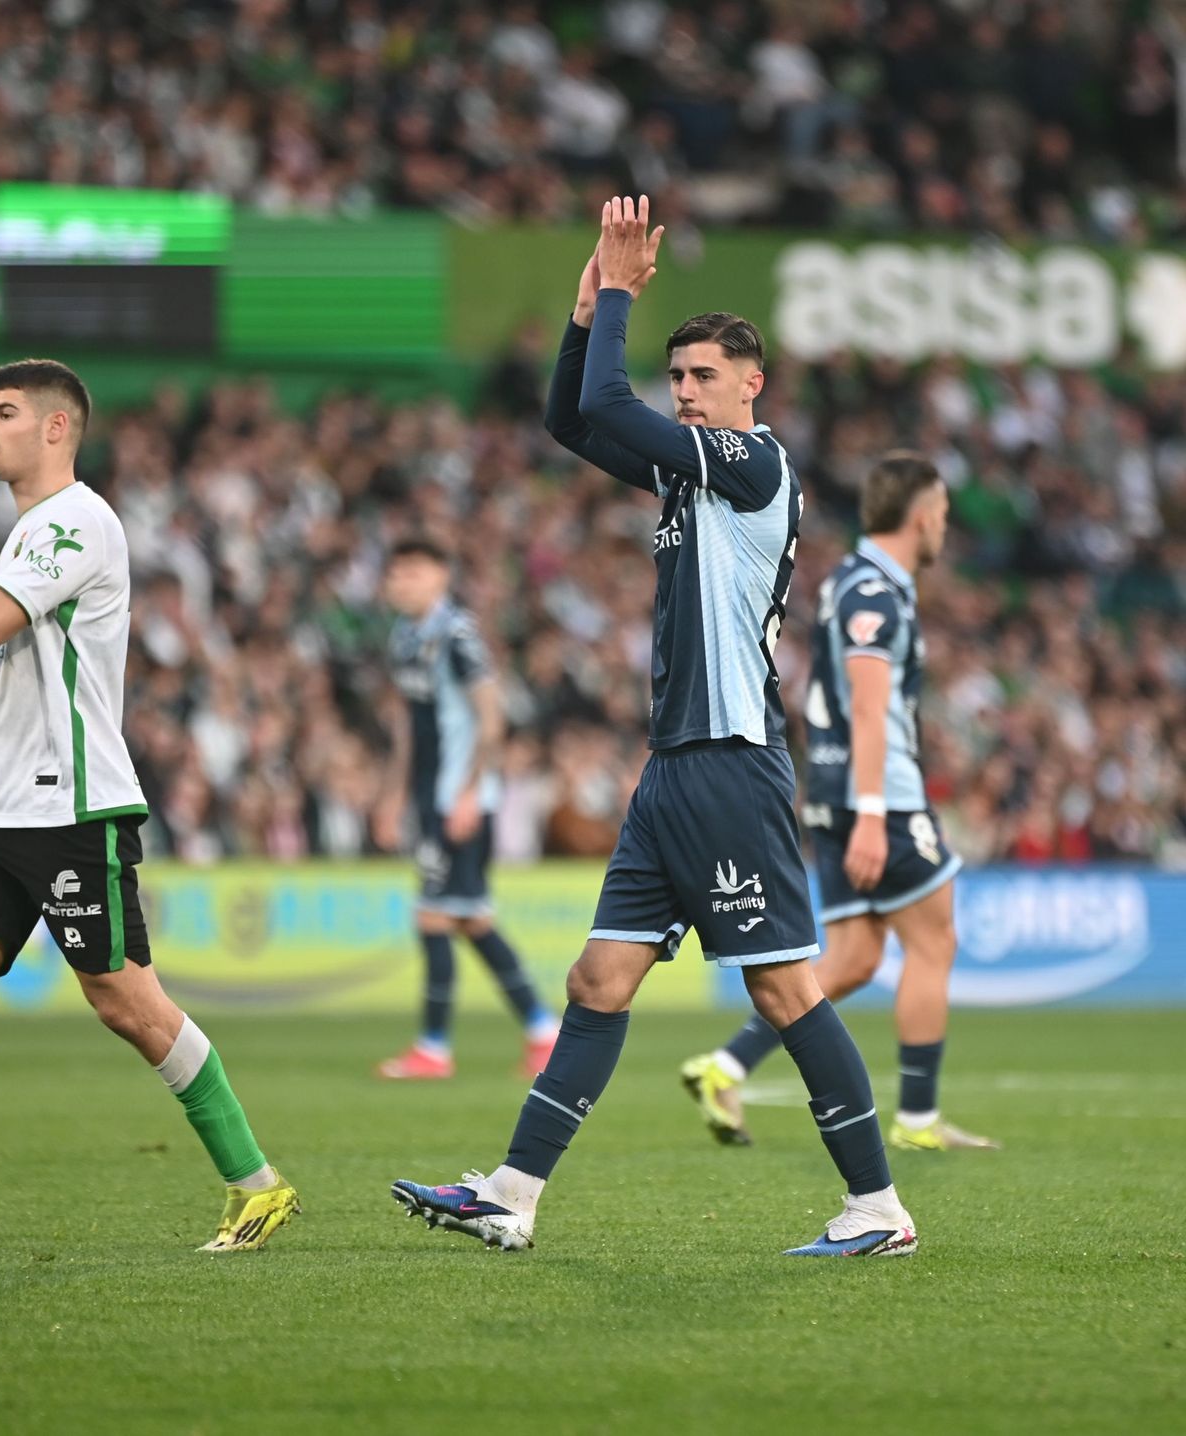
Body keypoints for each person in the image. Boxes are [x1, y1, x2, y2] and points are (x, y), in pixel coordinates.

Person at [391, 197, 917, 1257]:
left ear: (750, 385)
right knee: (598, 981)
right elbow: (570, 421)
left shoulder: (751, 465)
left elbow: (607, 411)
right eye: (675, 377)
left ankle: (877, 1207)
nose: (682, 392)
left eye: (701, 377)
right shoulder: (692, 470)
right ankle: (511, 1193)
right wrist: (586, 317)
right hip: (671, 771)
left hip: (728, 764)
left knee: (780, 988)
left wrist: (619, 296)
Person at [0, 359, 298, 1254]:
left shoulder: (77, 521)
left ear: (57, 429)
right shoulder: (32, 528)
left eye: (4, 413)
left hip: (72, 807)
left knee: (127, 1004)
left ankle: (258, 1185)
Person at [682, 452, 997, 1152]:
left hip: (838, 791)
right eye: (942, 514)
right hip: (878, 797)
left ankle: (724, 1065)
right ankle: (917, 1120)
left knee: (854, 956)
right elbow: (867, 701)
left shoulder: (853, 583)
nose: (943, 526)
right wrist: (877, 814)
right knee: (934, 940)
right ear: (920, 517)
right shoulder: (875, 594)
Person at [373, 538, 558, 1080]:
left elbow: (491, 718)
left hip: (460, 797)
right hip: (432, 797)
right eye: (395, 573)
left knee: (433, 915)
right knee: (472, 919)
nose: (400, 582)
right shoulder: (406, 638)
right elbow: (410, 727)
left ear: (441, 577)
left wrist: (472, 792)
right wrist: (393, 795)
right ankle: (543, 1031)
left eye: (412, 572)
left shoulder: (458, 636)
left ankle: (433, 1047)